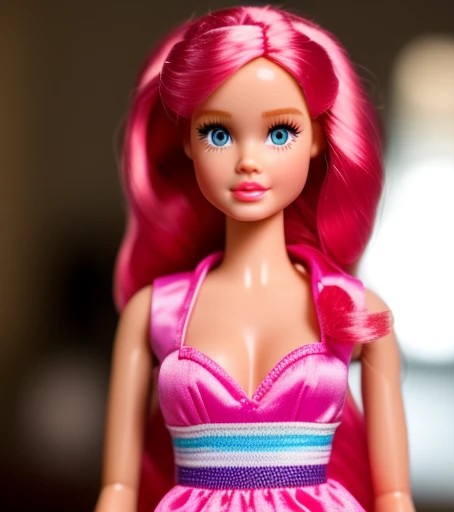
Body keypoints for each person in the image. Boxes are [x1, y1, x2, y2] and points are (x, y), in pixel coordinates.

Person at [95, 6, 415, 512]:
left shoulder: (356, 311)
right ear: (187, 141)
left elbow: (394, 495)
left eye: (280, 133)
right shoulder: (155, 313)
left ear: (316, 138)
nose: (248, 161)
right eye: (218, 134)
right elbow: (117, 489)